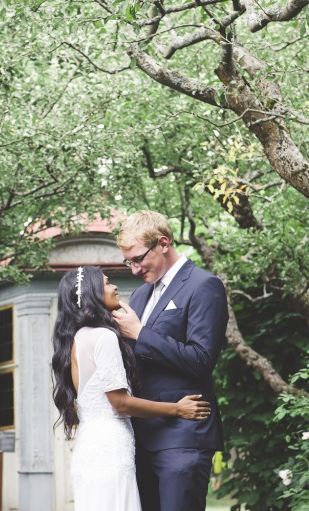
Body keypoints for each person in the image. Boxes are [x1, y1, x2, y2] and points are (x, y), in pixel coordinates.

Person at [51, 266, 211, 511]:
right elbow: (120, 403)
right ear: (93, 293)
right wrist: (177, 409)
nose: (114, 287)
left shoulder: (79, 336)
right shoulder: (104, 337)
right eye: (107, 283)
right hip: (111, 448)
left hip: (90, 447)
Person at [112, 210, 228, 511]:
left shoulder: (204, 285)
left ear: (163, 242)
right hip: (140, 437)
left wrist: (141, 333)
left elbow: (201, 359)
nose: (135, 269)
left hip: (184, 436)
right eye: (129, 262)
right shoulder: (139, 296)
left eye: (138, 259)